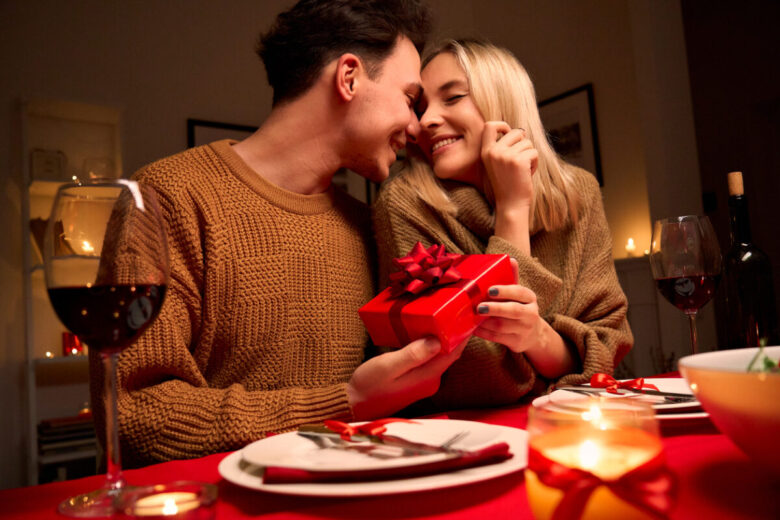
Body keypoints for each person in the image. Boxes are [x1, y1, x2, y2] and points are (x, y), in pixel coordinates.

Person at [99, 0, 466, 467]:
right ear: (349, 77)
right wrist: (346, 402)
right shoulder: (166, 198)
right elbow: (134, 416)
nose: (415, 127)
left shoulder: (370, 222)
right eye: (409, 99)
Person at [373, 39, 633, 411]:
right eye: (421, 106)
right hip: (463, 439)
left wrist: (537, 336)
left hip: (574, 426)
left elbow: (606, 350)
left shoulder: (579, 193)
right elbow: (480, 374)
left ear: (503, 101)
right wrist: (512, 210)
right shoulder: (405, 202)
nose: (426, 120)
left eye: (452, 98)